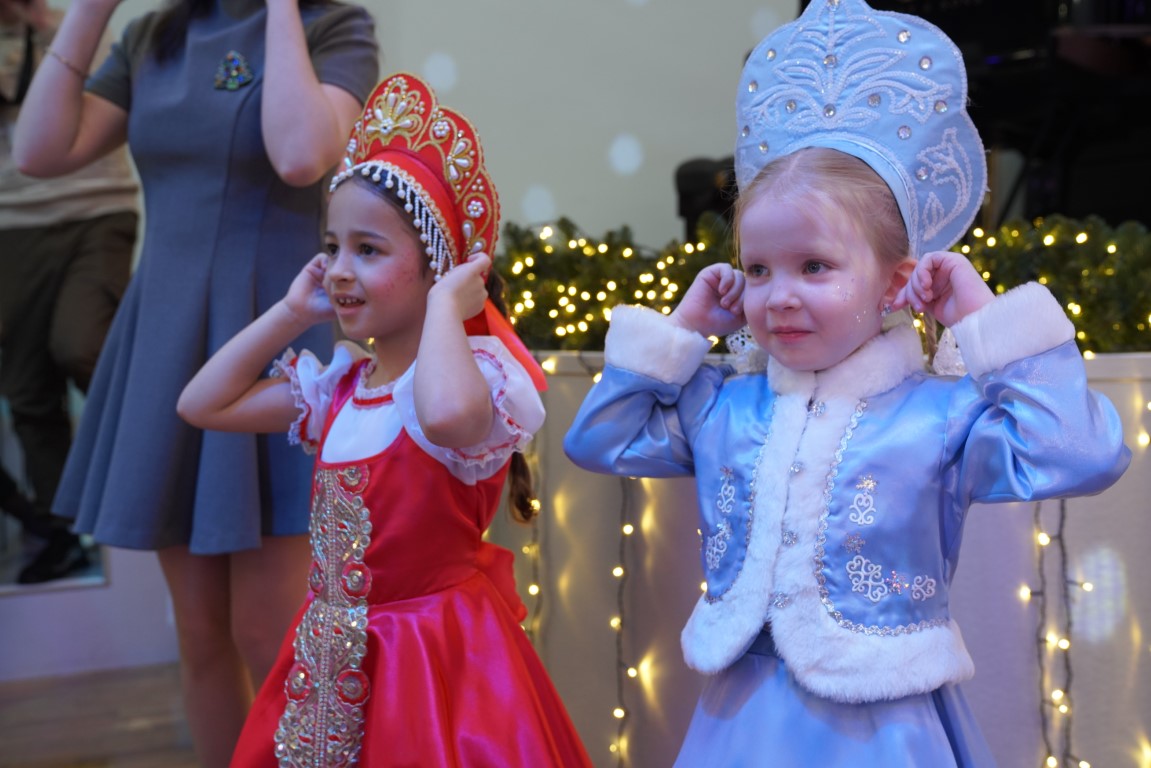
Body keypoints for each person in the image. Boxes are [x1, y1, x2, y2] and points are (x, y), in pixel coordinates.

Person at [563, 1, 1131, 765]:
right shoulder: (724, 406)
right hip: (740, 727)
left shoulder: (939, 417)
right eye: (757, 269)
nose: (778, 295)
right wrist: (680, 331)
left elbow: (1082, 453)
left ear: (895, 282)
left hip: (881, 735)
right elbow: (598, 439)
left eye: (814, 266)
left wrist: (983, 320)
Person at [178, 72, 593, 767]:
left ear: (438, 269)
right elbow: (202, 404)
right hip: (329, 661)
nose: (339, 269)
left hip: (433, 663)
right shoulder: (340, 388)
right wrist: (290, 312)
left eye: (367, 250)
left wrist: (446, 307)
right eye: (332, 246)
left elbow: (447, 415)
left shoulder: (471, 384)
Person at [11, 0, 377, 763]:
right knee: (202, 633)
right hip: (168, 341)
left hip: (280, 335)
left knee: (268, 630)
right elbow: (39, 151)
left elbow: (302, 157)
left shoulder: (334, 25)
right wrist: (91, 9)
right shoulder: (153, 36)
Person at [0, 0, 137, 584]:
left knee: (82, 345)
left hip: (96, 212)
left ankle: (143, 480)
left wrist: (47, 31)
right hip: (11, 224)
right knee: (27, 389)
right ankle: (61, 529)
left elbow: (111, 109)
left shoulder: (76, 24)